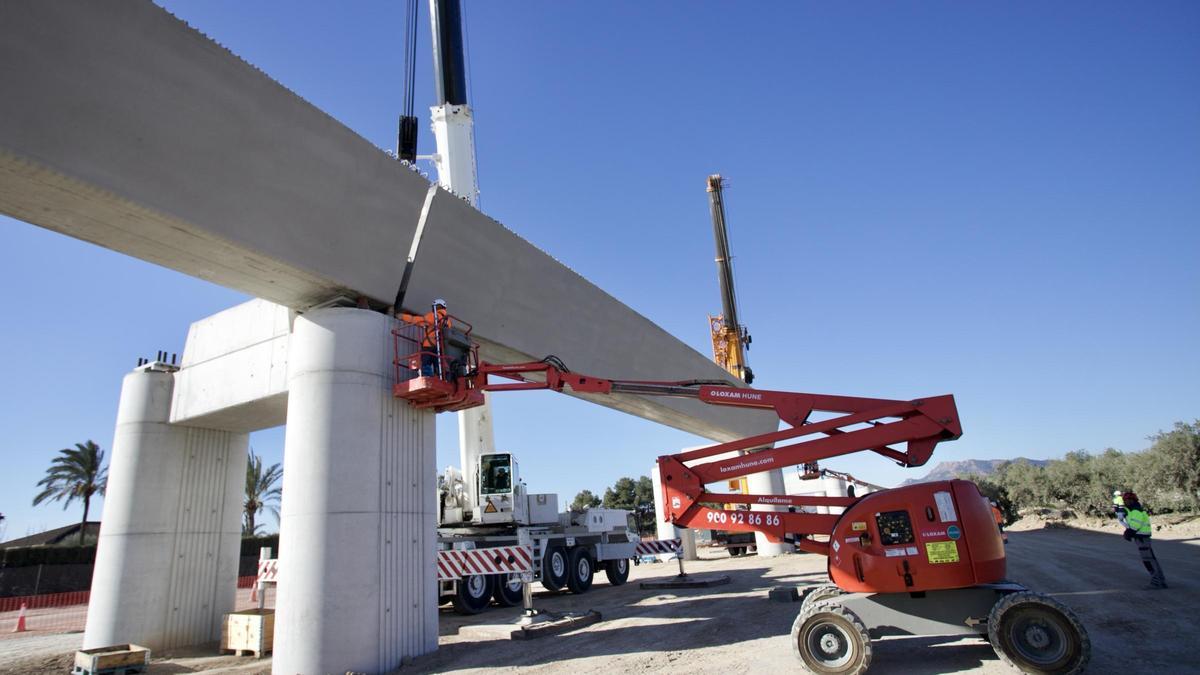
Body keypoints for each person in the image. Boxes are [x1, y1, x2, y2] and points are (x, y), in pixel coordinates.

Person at [1119, 490, 1167, 589]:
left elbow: (1135, 525)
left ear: (1132, 500)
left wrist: (1128, 533)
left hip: (1142, 538)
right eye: (1125, 500)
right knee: (1151, 559)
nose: (1126, 502)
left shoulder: (1136, 510)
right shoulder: (1134, 510)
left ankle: (1156, 582)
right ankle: (1160, 580)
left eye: (1128, 500)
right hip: (1142, 537)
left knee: (1148, 561)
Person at [400, 299, 451, 377]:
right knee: (438, 364)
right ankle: (442, 378)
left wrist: (404, 317)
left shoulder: (434, 315)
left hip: (429, 345)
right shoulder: (448, 321)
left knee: (425, 362)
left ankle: (427, 377)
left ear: (436, 307)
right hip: (440, 347)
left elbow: (420, 321)